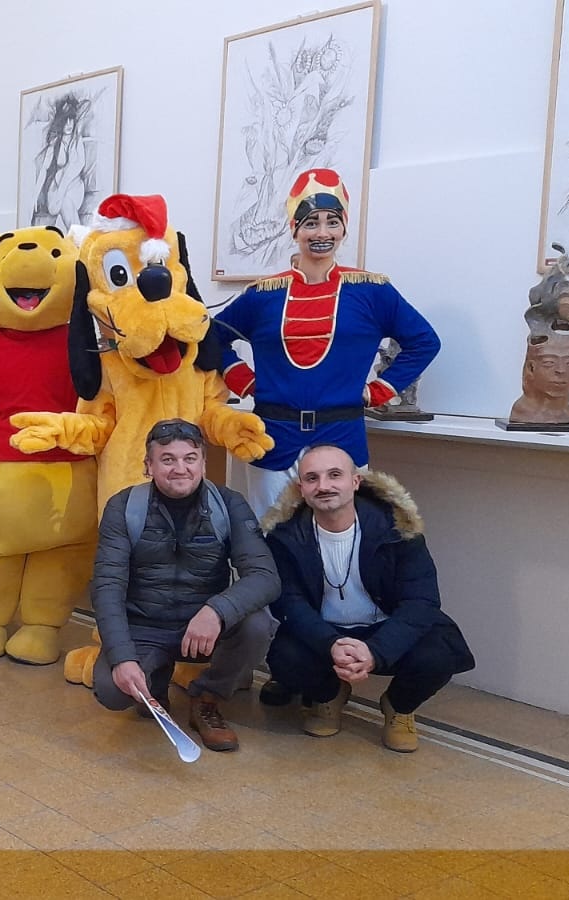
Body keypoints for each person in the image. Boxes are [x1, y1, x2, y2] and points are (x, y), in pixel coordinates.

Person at [212, 168, 441, 517]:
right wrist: (246, 382)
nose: (322, 232)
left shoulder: (371, 291)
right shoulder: (263, 295)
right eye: (311, 223)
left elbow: (424, 341)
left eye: (332, 222)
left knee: (341, 532)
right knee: (271, 535)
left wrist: (378, 391)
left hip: (342, 435)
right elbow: (211, 339)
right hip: (274, 439)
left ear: (343, 228)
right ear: (295, 229)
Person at [262, 444, 475, 752]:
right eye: (312, 478)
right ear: (301, 488)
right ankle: (329, 697)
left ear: (355, 481)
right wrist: (331, 644)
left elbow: (421, 601)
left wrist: (376, 651)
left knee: (440, 653)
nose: (324, 486)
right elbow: (288, 603)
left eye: (335, 475)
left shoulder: (398, 528)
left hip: (385, 626)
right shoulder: (284, 536)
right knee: (284, 658)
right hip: (326, 631)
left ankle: (399, 707)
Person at [88, 420, 279, 752]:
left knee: (258, 625)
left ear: (203, 463)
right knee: (112, 691)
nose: (180, 468)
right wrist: (122, 658)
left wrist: (217, 611)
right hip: (144, 625)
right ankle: (155, 679)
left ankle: (208, 698)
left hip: (203, 628)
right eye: (168, 459)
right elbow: (107, 587)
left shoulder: (229, 504)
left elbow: (265, 576)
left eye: (190, 458)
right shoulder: (123, 507)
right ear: (148, 466)